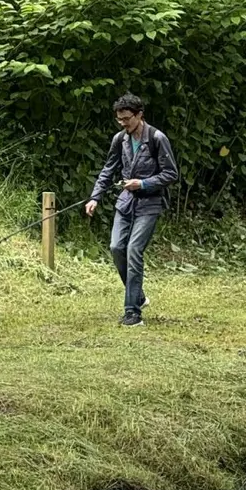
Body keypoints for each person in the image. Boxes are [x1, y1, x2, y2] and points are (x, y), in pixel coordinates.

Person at [85, 93, 179, 327]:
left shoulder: (157, 138)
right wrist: (94, 197)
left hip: (150, 204)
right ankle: (138, 295)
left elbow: (171, 174)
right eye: (120, 120)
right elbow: (108, 170)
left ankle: (132, 312)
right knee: (117, 248)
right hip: (125, 203)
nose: (124, 123)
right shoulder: (120, 139)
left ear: (139, 115)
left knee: (134, 251)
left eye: (127, 119)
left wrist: (143, 184)